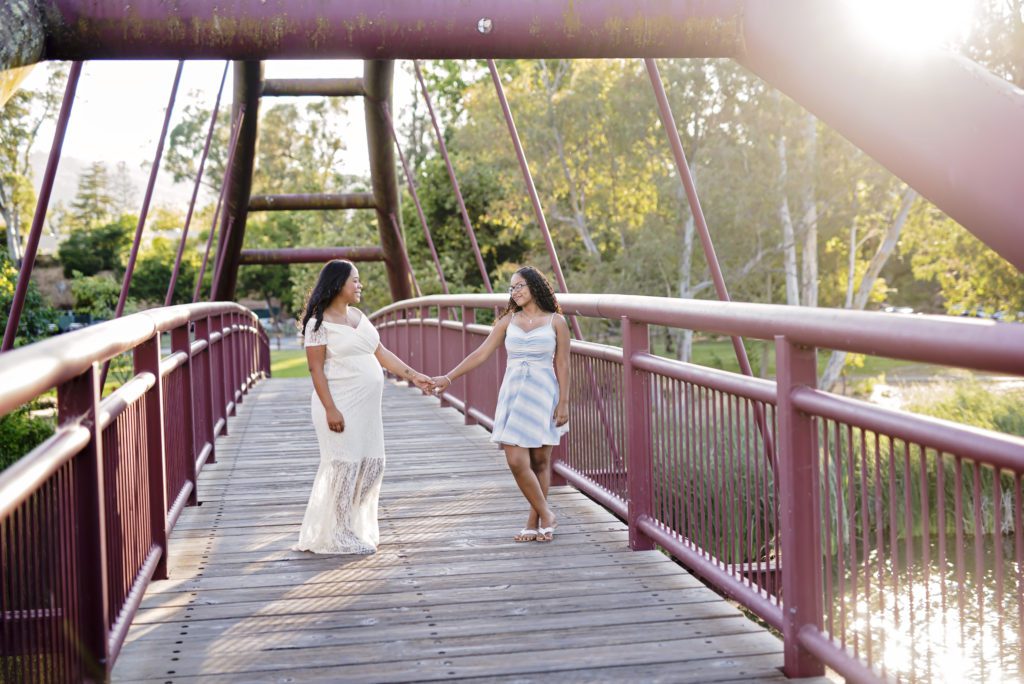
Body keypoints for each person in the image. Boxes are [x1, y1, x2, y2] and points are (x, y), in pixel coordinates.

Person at [295, 260, 433, 554]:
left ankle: (351, 524)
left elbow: (381, 353)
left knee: (372, 464)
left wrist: (415, 376)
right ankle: (340, 532)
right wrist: (331, 409)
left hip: (367, 411)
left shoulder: (357, 315)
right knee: (344, 466)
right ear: (337, 284)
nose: (360, 286)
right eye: (354, 281)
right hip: (338, 405)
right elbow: (316, 370)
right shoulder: (317, 324)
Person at [432, 266, 570, 542]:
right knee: (517, 460)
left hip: (544, 393)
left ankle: (534, 521)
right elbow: (481, 353)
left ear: (535, 287)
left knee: (541, 461)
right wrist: (449, 377)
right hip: (514, 394)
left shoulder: (556, 322)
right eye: (511, 288)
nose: (515, 292)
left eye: (520, 286)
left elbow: (563, 363)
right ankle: (547, 513)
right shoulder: (508, 321)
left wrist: (564, 402)